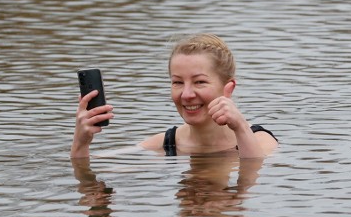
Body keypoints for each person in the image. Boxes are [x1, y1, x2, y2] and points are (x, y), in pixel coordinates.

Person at [70, 33, 278, 158]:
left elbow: (255, 177)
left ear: (228, 89)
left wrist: (240, 127)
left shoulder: (261, 141)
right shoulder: (165, 144)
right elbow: (87, 173)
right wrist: (81, 143)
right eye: (178, 82)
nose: (186, 95)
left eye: (199, 82)